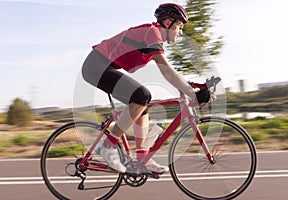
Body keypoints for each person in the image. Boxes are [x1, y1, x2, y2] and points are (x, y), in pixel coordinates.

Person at [82, 3, 214, 174]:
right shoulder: (152, 32)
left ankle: (142, 158)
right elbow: (166, 70)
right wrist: (192, 94)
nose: (181, 32)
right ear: (168, 22)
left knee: (141, 107)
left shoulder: (154, 39)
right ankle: (108, 147)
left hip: (104, 66)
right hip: (96, 66)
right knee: (142, 96)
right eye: (179, 26)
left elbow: (167, 72)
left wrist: (191, 87)